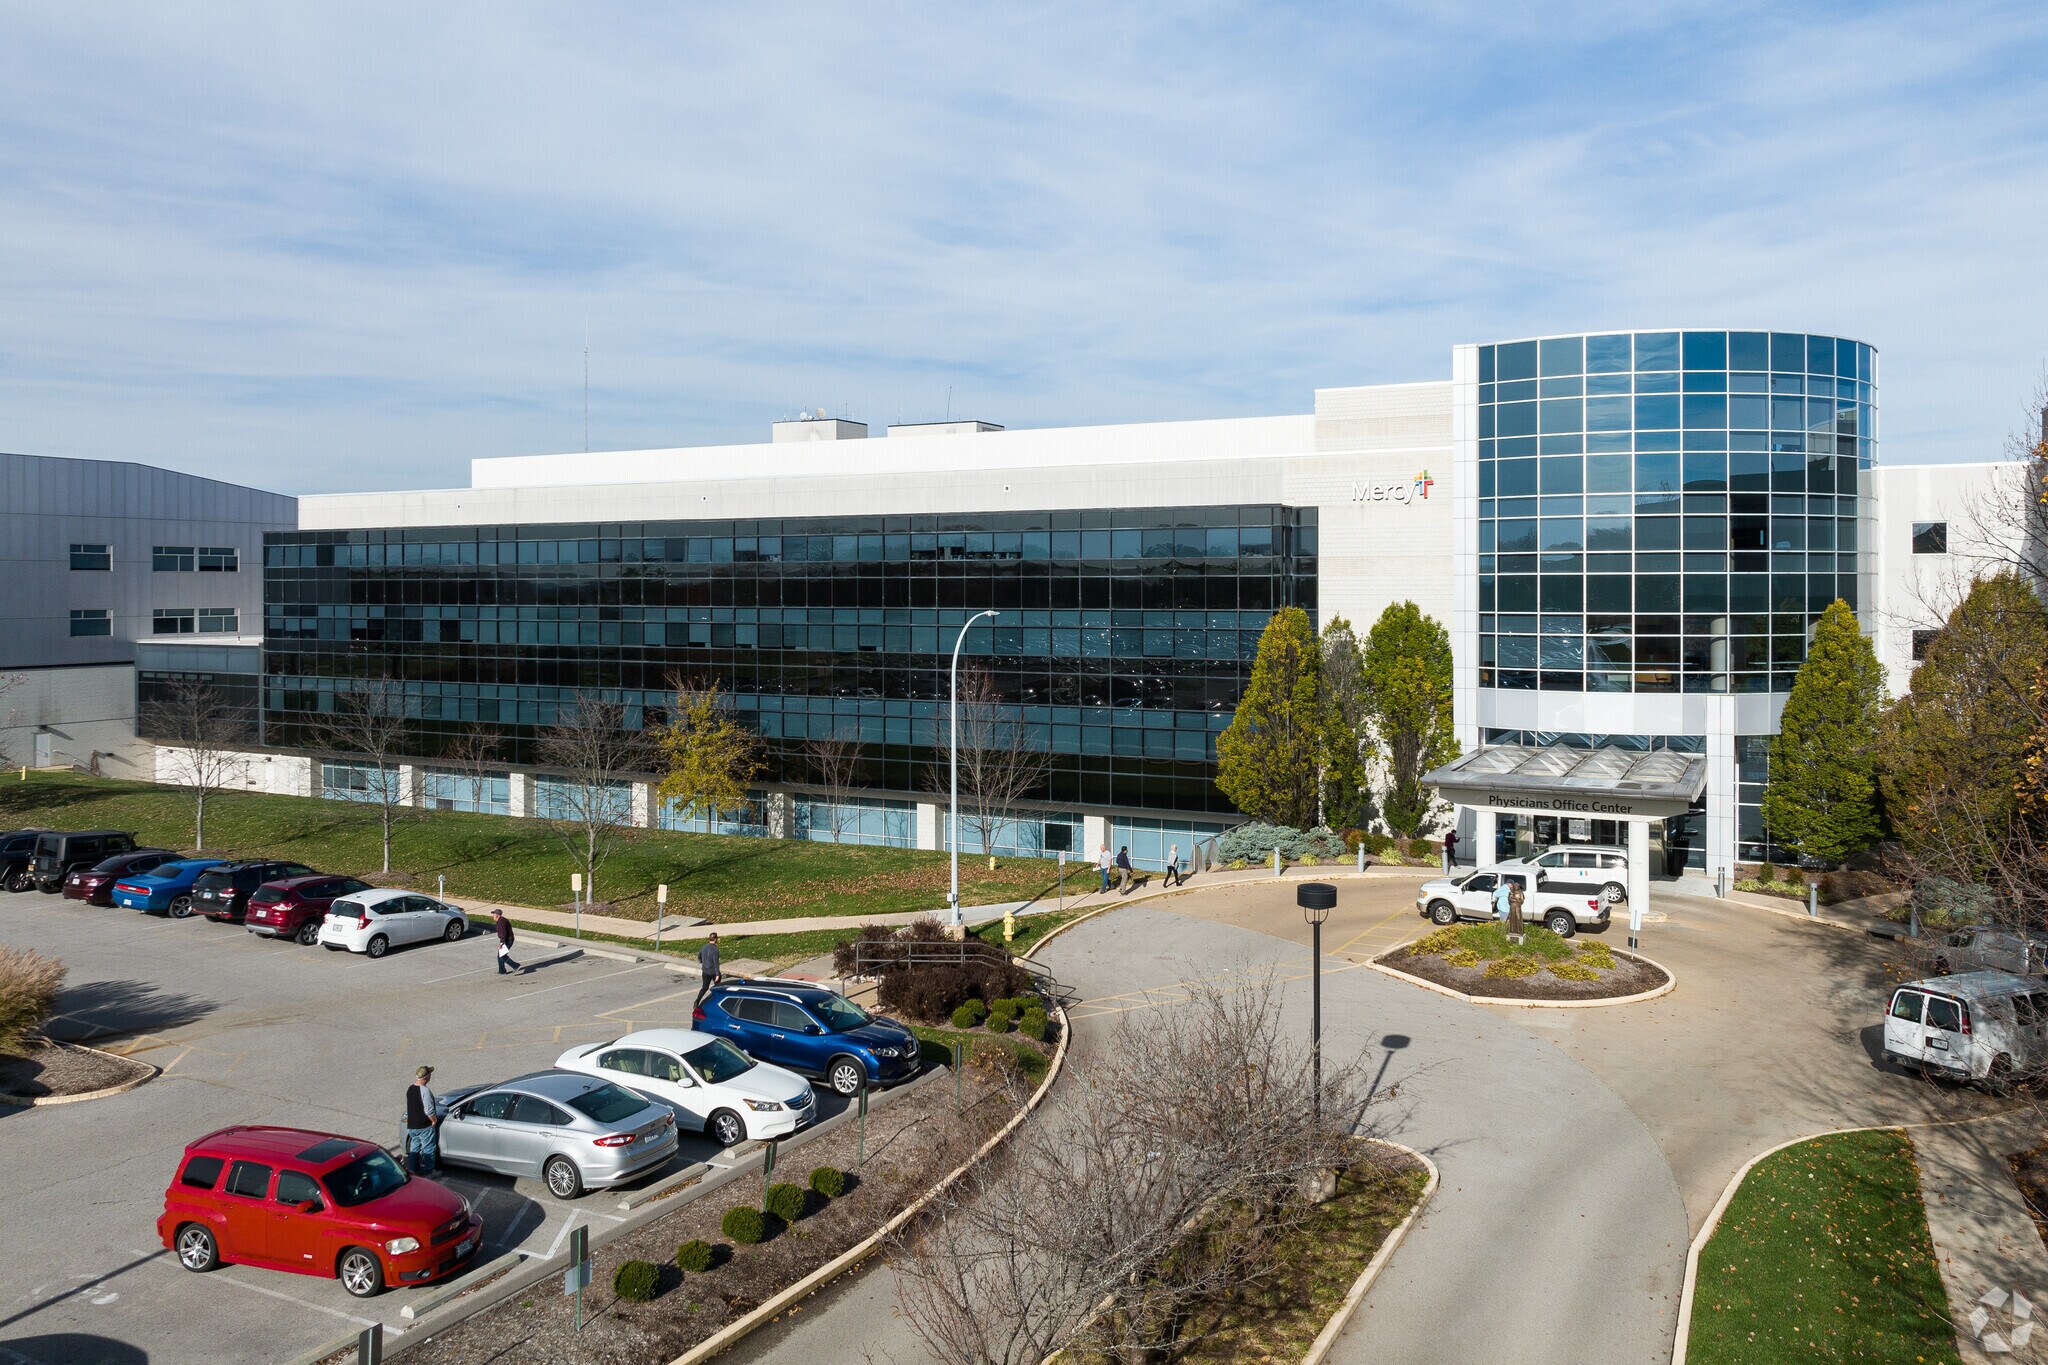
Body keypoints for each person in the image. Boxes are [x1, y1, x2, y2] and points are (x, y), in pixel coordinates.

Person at [404, 1065, 439, 1176]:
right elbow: (429, 1110)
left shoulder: (410, 1088)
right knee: (428, 1148)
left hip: (412, 1126)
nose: (430, 1076)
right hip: (424, 1126)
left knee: (414, 1148)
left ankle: (413, 1170)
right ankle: (429, 1172)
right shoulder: (425, 1091)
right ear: (426, 1077)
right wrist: (433, 1120)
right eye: (429, 1074)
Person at [695, 931, 721, 1006]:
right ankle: (716, 1001)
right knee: (717, 987)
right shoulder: (715, 950)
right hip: (712, 971)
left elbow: (699, 956)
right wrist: (717, 974)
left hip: (705, 971)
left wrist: (702, 962)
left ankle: (697, 1001)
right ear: (715, 939)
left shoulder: (704, 946)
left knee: (704, 987)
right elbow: (716, 963)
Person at [492, 907, 521, 975]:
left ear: (497, 915)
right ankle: (502, 971)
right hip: (506, 939)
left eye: (494, 914)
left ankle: (516, 966)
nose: (492, 915)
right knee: (500, 956)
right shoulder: (501, 920)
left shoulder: (501, 922)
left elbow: (503, 933)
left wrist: (501, 943)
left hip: (507, 940)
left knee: (502, 956)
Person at [1507, 876, 1526, 944]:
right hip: (1512, 907)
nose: (1516, 887)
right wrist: (1514, 900)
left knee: (1518, 918)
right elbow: (1509, 899)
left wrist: (1518, 901)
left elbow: (1522, 900)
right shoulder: (1511, 892)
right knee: (1512, 918)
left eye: (1517, 886)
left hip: (1517, 907)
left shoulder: (1520, 892)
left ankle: (1519, 930)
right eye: (1515, 886)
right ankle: (1512, 930)